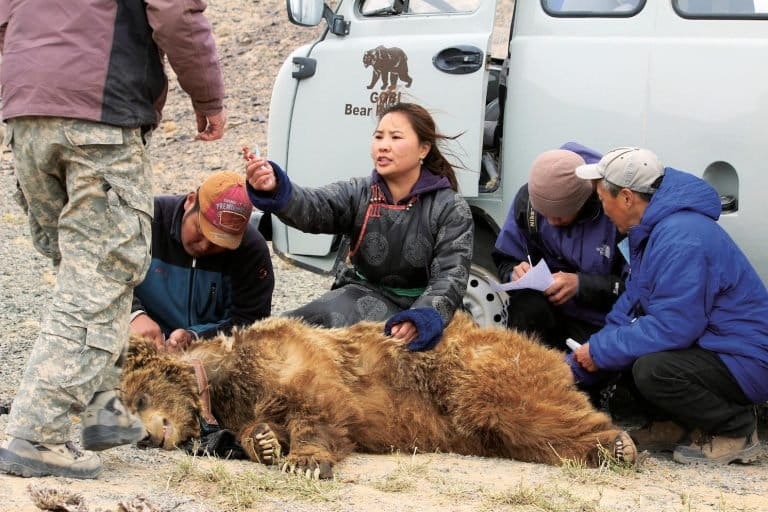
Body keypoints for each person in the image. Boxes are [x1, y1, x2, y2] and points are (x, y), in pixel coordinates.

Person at [0, 0, 226, 479]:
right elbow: (175, 14)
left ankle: (105, 413)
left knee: (89, 272)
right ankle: (36, 433)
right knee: (99, 277)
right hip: (99, 118)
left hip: (26, 115)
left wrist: (32, 84)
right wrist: (208, 100)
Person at [571, 147, 768, 465]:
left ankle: (736, 430)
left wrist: (602, 350)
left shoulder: (680, 237)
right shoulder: (657, 230)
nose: (602, 209)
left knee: (652, 370)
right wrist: (586, 357)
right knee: (624, 352)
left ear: (626, 197)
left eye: (602, 199)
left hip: (746, 360)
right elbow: (631, 304)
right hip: (718, 348)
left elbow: (675, 327)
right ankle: (671, 427)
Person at [245, 102, 473, 350]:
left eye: (395, 137)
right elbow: (315, 206)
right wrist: (274, 186)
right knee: (285, 334)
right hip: (360, 296)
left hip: (422, 308)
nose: (383, 145)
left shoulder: (450, 207)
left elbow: (451, 276)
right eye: (379, 136)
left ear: (423, 149)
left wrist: (422, 318)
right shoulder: (359, 193)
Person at [492, 142, 626, 351]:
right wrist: (514, 273)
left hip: (602, 319)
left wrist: (581, 284)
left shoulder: (615, 212)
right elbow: (506, 257)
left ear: (582, 202)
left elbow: (637, 287)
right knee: (526, 306)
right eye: (544, 214)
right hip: (548, 311)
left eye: (559, 216)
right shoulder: (528, 203)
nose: (551, 222)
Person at [130, 171, 274, 351]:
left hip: (210, 353)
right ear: (190, 201)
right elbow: (100, 273)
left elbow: (250, 322)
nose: (204, 246)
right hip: (135, 341)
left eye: (218, 242)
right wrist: (133, 314)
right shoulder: (145, 221)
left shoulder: (250, 251)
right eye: (200, 230)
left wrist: (195, 338)